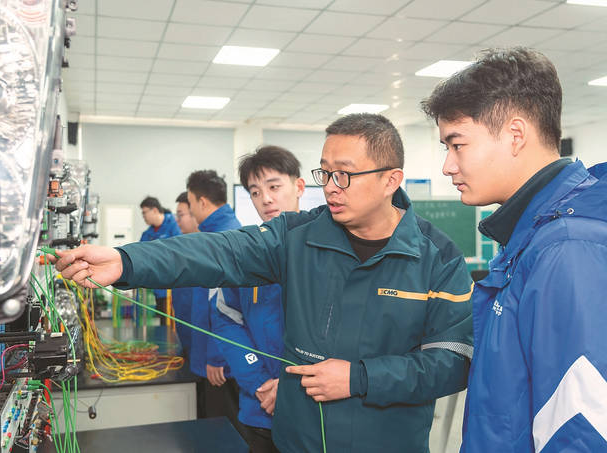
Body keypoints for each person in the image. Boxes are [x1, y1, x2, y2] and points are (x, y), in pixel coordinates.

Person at [54, 114, 473, 452]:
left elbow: (455, 360)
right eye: (325, 173)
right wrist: (126, 261)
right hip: (297, 442)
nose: (331, 188)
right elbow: (218, 252)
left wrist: (360, 378)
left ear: (390, 180)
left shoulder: (437, 257)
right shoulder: (297, 237)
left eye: (344, 175)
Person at [421, 47, 607, 452]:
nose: (447, 166)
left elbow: (581, 429)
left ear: (515, 135)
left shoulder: (566, 249)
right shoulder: (531, 237)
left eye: (457, 144)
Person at [210, 145, 304, 452]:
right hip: (260, 406)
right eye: (255, 192)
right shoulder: (245, 252)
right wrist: (260, 383)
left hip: (313, 408)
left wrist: (290, 388)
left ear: (299, 186)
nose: (265, 199)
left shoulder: (327, 252)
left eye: (274, 187)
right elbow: (226, 319)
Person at [184, 170, 247, 438]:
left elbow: (228, 308)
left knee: (225, 430)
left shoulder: (224, 238)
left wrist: (216, 356)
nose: (190, 210)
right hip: (211, 356)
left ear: (202, 202)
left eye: (190, 203)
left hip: (221, 364)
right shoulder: (215, 233)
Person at [168, 191, 199, 358]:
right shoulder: (183, 246)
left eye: (181, 215)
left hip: (201, 345)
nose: (177, 220)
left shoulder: (207, 251)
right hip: (186, 338)